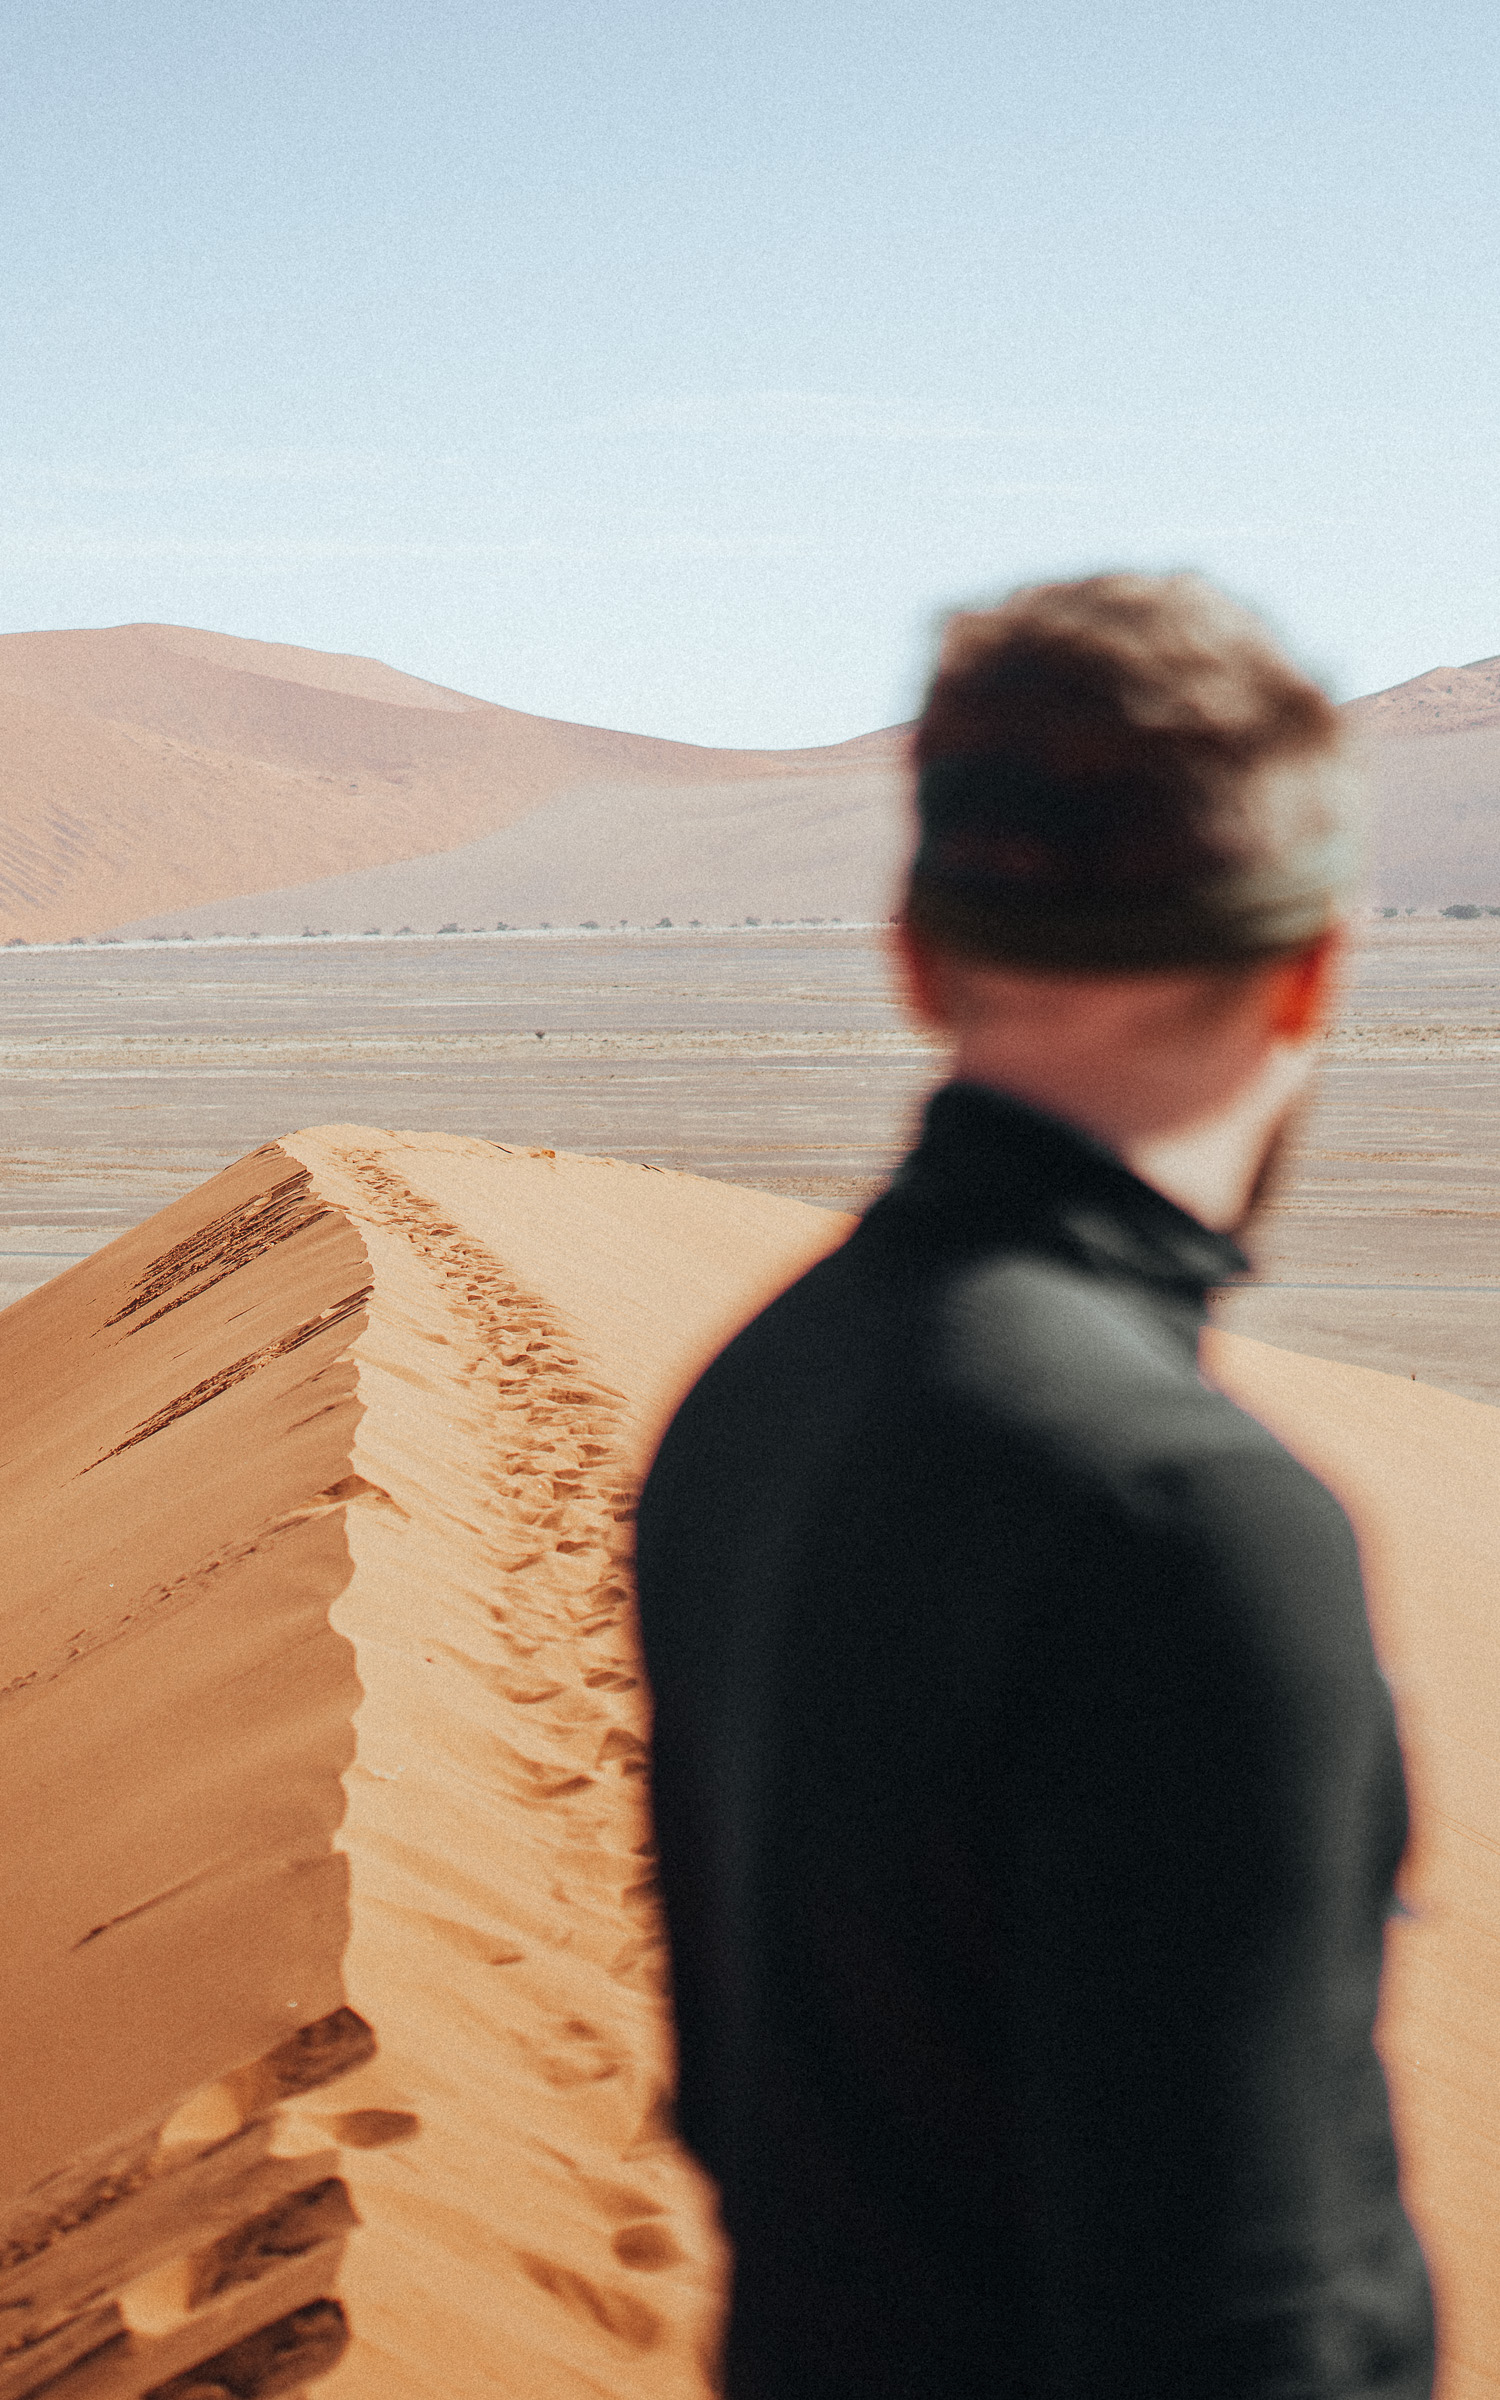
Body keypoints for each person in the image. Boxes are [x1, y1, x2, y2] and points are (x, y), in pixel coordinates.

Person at [634, 573, 1434, 2400]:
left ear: (913, 954)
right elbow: (1231, 2322)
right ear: (1317, 961)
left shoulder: (758, 1390)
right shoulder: (1178, 1521)